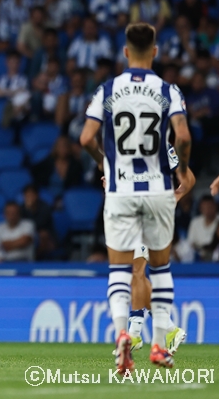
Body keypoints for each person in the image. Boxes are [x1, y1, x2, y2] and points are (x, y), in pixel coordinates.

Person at [80, 22, 195, 373]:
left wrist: (108, 163)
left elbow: (86, 139)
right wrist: (177, 183)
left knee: (126, 269)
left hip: (122, 191)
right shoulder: (168, 92)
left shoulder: (108, 91)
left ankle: (126, 333)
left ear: (125, 52)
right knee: (153, 269)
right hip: (157, 193)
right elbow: (184, 148)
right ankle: (158, 339)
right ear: (156, 51)